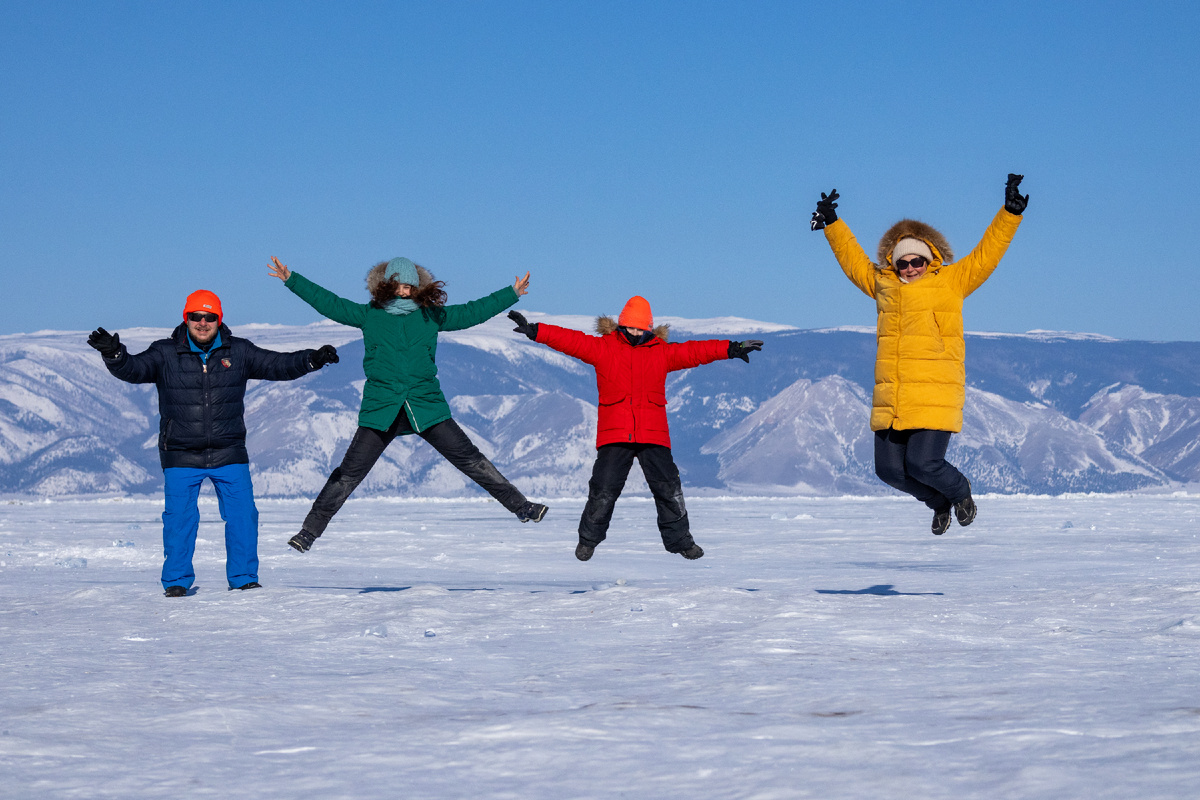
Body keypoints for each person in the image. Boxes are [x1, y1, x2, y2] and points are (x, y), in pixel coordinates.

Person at [268, 255, 548, 553]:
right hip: (381, 409)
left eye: (409, 287)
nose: (404, 292)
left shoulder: (431, 316)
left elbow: (471, 312)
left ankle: (521, 506)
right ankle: (309, 531)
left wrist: (511, 293)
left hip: (426, 406)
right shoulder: (369, 315)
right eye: (398, 286)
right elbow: (330, 303)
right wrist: (292, 279)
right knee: (348, 474)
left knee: (471, 460)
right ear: (386, 286)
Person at [810, 173, 1029, 534]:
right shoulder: (884, 285)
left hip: (934, 391)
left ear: (930, 259)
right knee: (890, 471)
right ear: (893, 264)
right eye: (903, 262)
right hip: (893, 395)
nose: (910, 268)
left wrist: (1009, 213)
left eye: (917, 261)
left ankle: (960, 490)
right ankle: (938, 502)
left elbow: (987, 255)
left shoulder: (952, 281)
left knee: (923, 463)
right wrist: (833, 224)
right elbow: (854, 263)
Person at [88, 290, 340, 596]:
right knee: (179, 521)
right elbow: (134, 369)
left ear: (219, 320)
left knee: (243, 516)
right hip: (180, 453)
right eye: (196, 317)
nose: (203, 323)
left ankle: (244, 577)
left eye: (210, 317)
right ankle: (177, 582)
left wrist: (312, 359)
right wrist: (114, 355)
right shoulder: (165, 353)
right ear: (187, 318)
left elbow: (278, 365)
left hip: (229, 451)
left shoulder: (240, 352)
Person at [508, 298, 762, 560]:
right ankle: (588, 540)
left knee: (669, 488)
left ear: (649, 329)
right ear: (622, 325)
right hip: (615, 432)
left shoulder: (661, 351)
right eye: (631, 328)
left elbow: (694, 352)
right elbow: (571, 341)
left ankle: (681, 543)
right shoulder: (603, 348)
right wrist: (536, 330)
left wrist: (732, 348)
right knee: (603, 488)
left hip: (653, 433)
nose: (636, 333)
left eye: (642, 329)